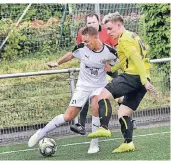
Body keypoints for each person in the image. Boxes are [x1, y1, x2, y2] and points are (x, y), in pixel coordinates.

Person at [28, 26, 118, 154]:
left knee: (95, 107)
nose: (85, 44)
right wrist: (57, 63)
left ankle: (94, 144)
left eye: (87, 41)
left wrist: (110, 68)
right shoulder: (81, 48)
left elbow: (116, 66)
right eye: (83, 41)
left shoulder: (109, 52)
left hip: (99, 86)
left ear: (96, 37)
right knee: (69, 116)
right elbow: (71, 55)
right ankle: (40, 133)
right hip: (83, 86)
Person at [87, 12, 156, 153]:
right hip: (142, 77)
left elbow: (136, 59)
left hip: (133, 76)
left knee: (102, 96)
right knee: (123, 112)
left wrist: (144, 81)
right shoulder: (132, 36)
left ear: (119, 24)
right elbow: (125, 60)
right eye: (106, 29)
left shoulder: (124, 40)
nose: (108, 32)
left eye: (110, 28)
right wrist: (112, 68)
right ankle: (128, 143)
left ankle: (104, 128)